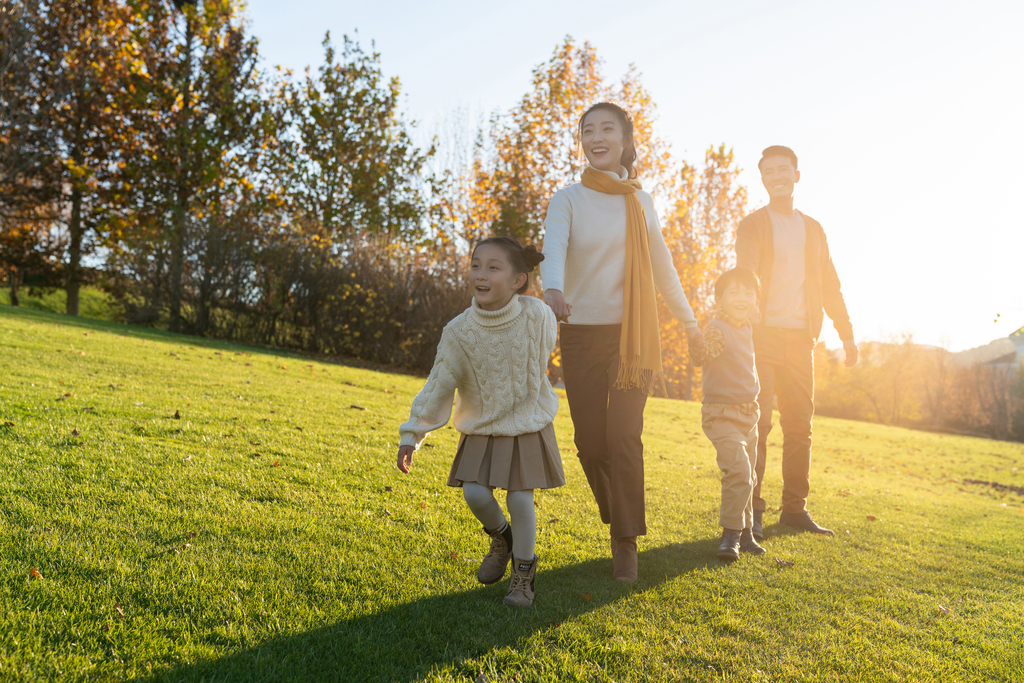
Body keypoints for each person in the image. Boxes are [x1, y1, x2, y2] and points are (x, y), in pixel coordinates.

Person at [541, 102, 704, 583]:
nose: (596, 137)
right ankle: (618, 512)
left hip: (632, 341)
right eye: (587, 130)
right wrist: (552, 289)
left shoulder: (641, 201)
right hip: (580, 334)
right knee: (590, 443)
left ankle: (625, 540)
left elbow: (664, 269)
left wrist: (691, 325)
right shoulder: (567, 198)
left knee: (623, 436)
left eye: (606, 128)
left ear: (625, 139)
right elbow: (554, 249)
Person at [396, 236, 563, 608]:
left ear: (518, 280)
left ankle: (523, 572)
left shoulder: (537, 316)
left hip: (528, 423)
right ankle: (501, 538)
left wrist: (555, 305)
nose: (480, 274)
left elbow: (548, 338)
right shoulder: (459, 331)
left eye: (493, 267)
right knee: (474, 493)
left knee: (521, 500)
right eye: (475, 265)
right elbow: (438, 384)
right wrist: (412, 434)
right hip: (483, 425)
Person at [736, 145, 857, 539]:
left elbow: (831, 286)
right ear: (763, 179)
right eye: (768, 171)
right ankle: (751, 509)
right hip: (763, 335)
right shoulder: (753, 224)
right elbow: (747, 268)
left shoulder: (814, 229)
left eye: (783, 169)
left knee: (800, 427)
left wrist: (847, 334)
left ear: (796, 175)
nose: (777, 176)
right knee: (761, 424)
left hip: (801, 341)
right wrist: (748, 307)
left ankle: (794, 509)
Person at [691, 268, 767, 561]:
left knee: (750, 476)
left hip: (749, 414)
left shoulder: (745, 324)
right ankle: (731, 536)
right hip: (722, 413)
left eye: (749, 293)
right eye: (733, 292)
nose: (742, 298)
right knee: (738, 472)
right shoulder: (718, 330)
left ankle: (746, 533)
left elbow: (753, 312)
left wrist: (755, 307)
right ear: (719, 299)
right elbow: (702, 355)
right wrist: (696, 342)